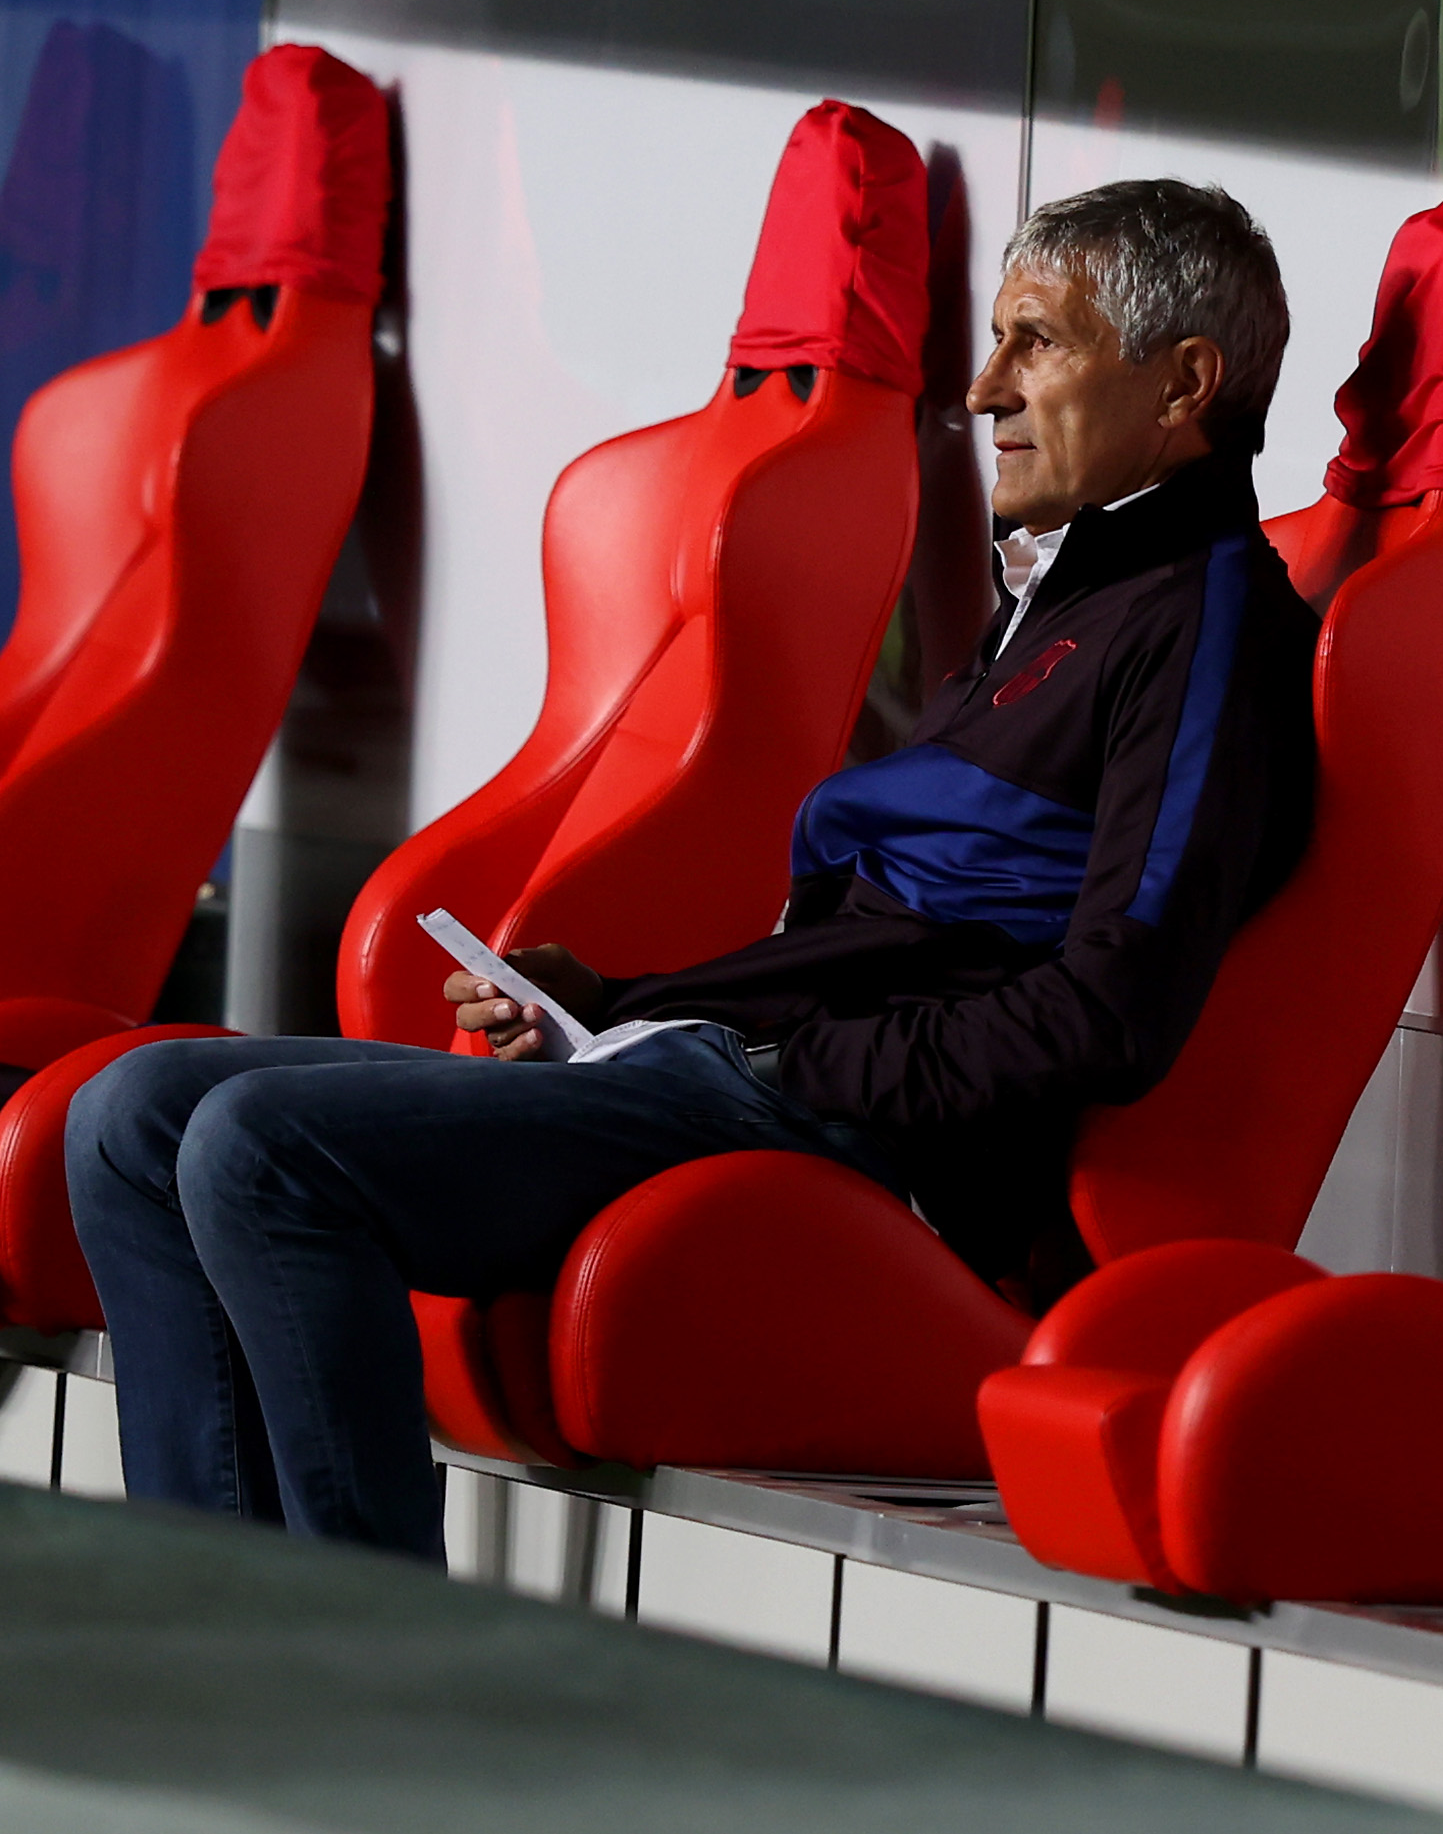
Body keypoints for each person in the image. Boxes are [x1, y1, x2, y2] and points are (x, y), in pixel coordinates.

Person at [66, 179, 1322, 1559]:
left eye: (1038, 342)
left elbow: (1109, 1011)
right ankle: (212, 1639)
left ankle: (376, 1677)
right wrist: (611, 1000)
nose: (981, 389)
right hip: (724, 1067)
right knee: (127, 1114)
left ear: (1185, 384)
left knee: (261, 1153)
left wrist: (799, 1064)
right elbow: (887, 935)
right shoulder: (1063, 598)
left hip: (854, 1146)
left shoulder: (1210, 621)